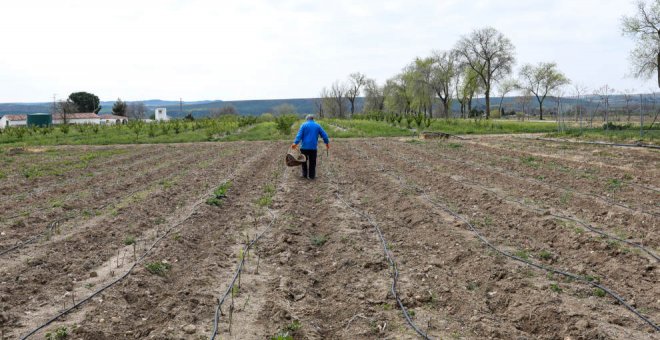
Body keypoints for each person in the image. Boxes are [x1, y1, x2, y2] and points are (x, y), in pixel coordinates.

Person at [291, 114, 329, 179]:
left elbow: (299, 136)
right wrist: (326, 143)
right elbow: (324, 135)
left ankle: (304, 175)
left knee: (303, 161)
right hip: (313, 147)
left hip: (304, 147)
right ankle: (312, 176)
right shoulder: (317, 125)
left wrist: (295, 143)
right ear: (313, 119)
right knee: (312, 162)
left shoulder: (303, 125)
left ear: (307, 119)